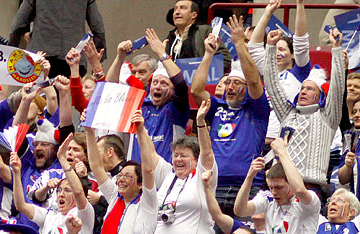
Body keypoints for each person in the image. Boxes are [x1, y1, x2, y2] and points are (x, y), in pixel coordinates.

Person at [190, 16, 270, 217]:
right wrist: (209, 54)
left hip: (247, 185)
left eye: (237, 84)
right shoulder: (217, 106)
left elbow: (253, 81)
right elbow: (196, 89)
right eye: (228, 83)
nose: (231, 87)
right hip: (214, 183)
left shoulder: (256, 109)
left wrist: (239, 43)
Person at [147, 98, 216, 234]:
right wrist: (140, 127)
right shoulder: (169, 176)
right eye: (175, 155)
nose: (178, 160)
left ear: (195, 160)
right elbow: (149, 154)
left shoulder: (203, 177)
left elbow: (207, 153)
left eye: (184, 156)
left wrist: (201, 123)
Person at [265, 27, 345, 188]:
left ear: (321, 95)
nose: (303, 91)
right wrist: (270, 48)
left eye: (309, 89)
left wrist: (336, 49)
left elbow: (337, 88)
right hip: (285, 187)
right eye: (301, 88)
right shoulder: (288, 114)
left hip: (312, 187)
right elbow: (272, 84)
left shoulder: (328, 117)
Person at [248, 0, 311, 142]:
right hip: (260, 137)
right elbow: (254, 46)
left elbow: (301, 41)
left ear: (293, 54)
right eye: (274, 49)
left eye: (282, 49)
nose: (277, 53)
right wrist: (267, 13)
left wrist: (300, 5)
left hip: (284, 138)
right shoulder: (268, 71)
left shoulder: (299, 73)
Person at [128, 28, 190, 163]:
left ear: (172, 91)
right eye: (155, 82)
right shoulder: (139, 105)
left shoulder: (177, 109)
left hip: (165, 176)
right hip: (137, 177)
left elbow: (180, 85)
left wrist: (162, 54)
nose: (157, 86)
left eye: (164, 84)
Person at [8, 0, 106, 78]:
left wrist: (9, 52)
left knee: (38, 100)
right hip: (73, 58)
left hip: (41, 57)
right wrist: (98, 61)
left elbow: (19, 23)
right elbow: (98, 28)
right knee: (68, 100)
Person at [163, 0, 232, 72]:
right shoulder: (170, 37)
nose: (177, 12)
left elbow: (225, 59)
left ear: (194, 15)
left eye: (182, 8)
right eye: (175, 9)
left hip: (202, 80)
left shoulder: (205, 31)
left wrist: (198, 67)